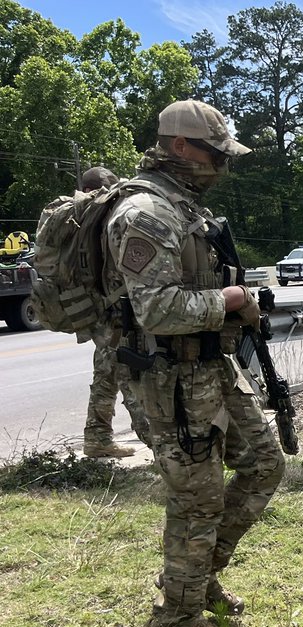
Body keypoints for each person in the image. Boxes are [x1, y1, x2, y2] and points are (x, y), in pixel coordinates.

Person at [103, 100, 285, 627]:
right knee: (197, 501)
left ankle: (196, 578)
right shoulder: (145, 214)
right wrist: (231, 299)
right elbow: (156, 309)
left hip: (209, 366)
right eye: (215, 153)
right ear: (179, 146)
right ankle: (176, 623)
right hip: (169, 380)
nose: (222, 165)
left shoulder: (184, 209)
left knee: (265, 464)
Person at [78, 165, 153, 458]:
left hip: (94, 309)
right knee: (130, 376)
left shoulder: (81, 219)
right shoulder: (110, 215)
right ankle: (158, 444)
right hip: (118, 313)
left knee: (105, 375)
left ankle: (97, 438)